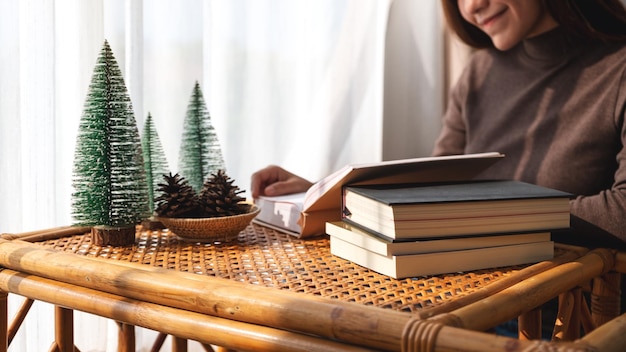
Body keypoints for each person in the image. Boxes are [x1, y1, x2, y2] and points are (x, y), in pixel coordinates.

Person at [251, 0, 626, 249]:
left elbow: (621, 212)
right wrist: (328, 192)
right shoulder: (480, 73)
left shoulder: (617, 69)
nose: (472, 6)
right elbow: (434, 187)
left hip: (568, 317)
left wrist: (486, 214)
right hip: (461, 294)